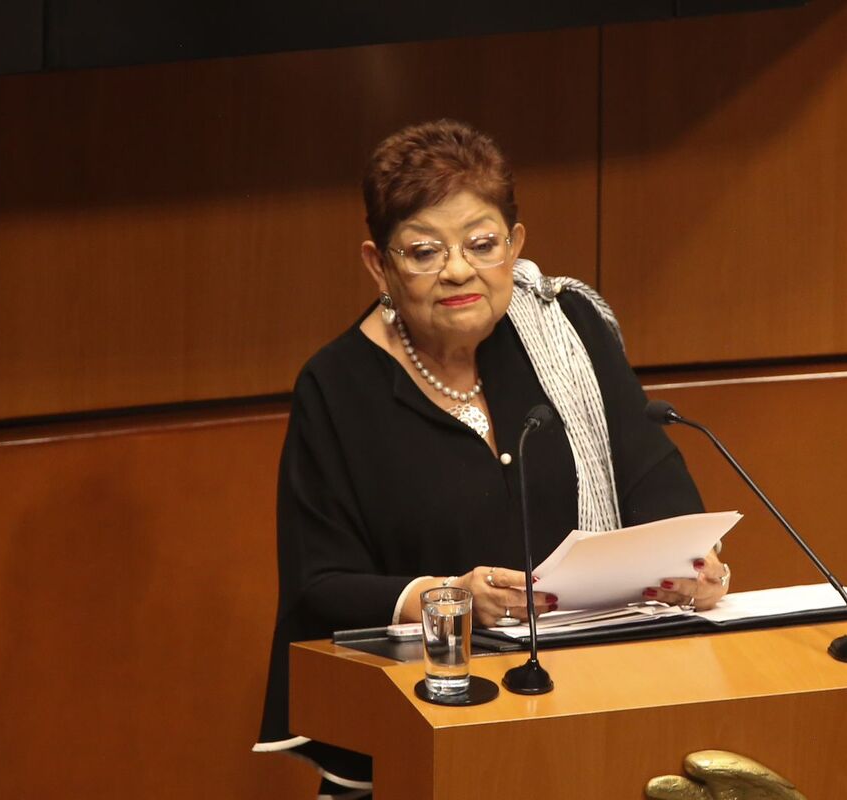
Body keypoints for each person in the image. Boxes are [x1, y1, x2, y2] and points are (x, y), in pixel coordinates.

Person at [254, 119, 731, 798]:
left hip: (597, 711)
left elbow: (654, 481)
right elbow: (318, 584)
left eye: (482, 244)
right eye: (424, 251)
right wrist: (447, 599)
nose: (458, 270)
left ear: (515, 244)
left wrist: (690, 566)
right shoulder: (338, 388)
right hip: (429, 724)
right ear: (378, 264)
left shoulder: (568, 332)